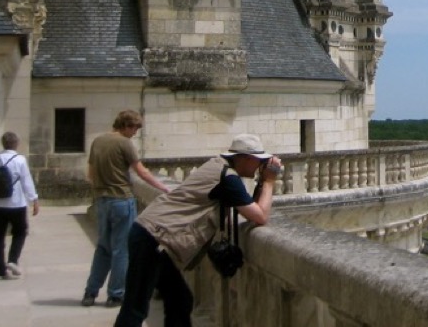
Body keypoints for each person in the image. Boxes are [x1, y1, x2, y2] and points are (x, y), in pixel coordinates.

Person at [114, 133, 283, 327]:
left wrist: (262, 180)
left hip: (152, 235)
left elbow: (247, 208)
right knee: (136, 308)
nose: (258, 165)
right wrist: (269, 181)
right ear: (245, 158)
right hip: (153, 238)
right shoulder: (228, 178)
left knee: (180, 300)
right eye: (257, 161)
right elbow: (260, 216)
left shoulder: (220, 167)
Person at [82, 110, 170, 308]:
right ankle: (115, 294)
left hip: (101, 200)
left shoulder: (98, 141)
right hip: (121, 199)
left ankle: (90, 292)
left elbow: (90, 173)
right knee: (121, 249)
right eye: (135, 129)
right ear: (127, 126)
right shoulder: (124, 143)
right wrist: (164, 187)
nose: (135, 134)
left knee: (103, 247)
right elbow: (141, 172)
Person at [0, 131, 39, 280]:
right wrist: (34, 200)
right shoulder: (20, 160)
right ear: (16, 144)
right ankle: (12, 260)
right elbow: (26, 181)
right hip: (16, 203)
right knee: (20, 232)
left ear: (2, 143)